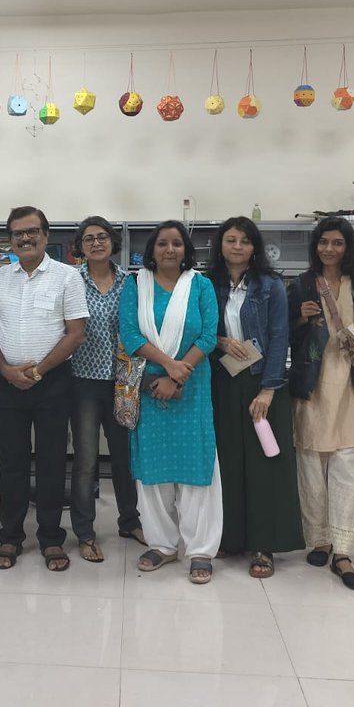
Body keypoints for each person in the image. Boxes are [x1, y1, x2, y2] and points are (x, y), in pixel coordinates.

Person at [0, 206, 87, 572]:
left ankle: (51, 537)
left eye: (32, 232)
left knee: (52, 462)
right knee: (11, 463)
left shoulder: (68, 277)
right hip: (8, 384)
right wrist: (7, 371)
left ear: (45, 235)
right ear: (10, 239)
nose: (24, 239)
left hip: (53, 383)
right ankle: (10, 536)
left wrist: (38, 371)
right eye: (17, 233)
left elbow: (76, 333)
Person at [121, 221, 220, 584]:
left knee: (196, 467)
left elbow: (209, 335)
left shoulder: (201, 285)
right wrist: (167, 366)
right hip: (150, 385)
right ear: (151, 250)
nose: (169, 249)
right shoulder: (136, 285)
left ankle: (199, 549)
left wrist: (178, 373)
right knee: (154, 468)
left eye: (177, 243)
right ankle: (162, 544)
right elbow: (129, 333)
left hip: (192, 387)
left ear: (186, 250)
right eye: (162, 243)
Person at [206, 216, 303, 578]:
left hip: (264, 382)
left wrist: (268, 390)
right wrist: (219, 340)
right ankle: (230, 536)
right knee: (227, 462)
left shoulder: (270, 286)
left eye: (245, 241)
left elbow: (280, 338)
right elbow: (198, 330)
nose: (237, 247)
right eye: (230, 240)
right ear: (220, 245)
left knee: (266, 465)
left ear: (254, 248)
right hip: (222, 381)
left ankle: (265, 544)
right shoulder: (206, 284)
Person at [287, 216, 354, 591]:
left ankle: (342, 549)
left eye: (337, 243)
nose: (329, 249)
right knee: (311, 463)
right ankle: (319, 540)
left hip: (349, 385)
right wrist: (300, 318)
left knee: (348, 463)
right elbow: (286, 333)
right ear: (315, 246)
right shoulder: (302, 284)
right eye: (323, 242)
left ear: (348, 247)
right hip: (313, 383)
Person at [69, 216, 143, 563]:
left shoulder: (131, 283)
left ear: (113, 242)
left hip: (123, 383)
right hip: (82, 382)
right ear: (80, 247)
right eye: (88, 239)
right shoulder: (71, 281)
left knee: (125, 458)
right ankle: (85, 532)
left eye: (101, 237)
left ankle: (130, 521)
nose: (96, 243)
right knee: (85, 461)